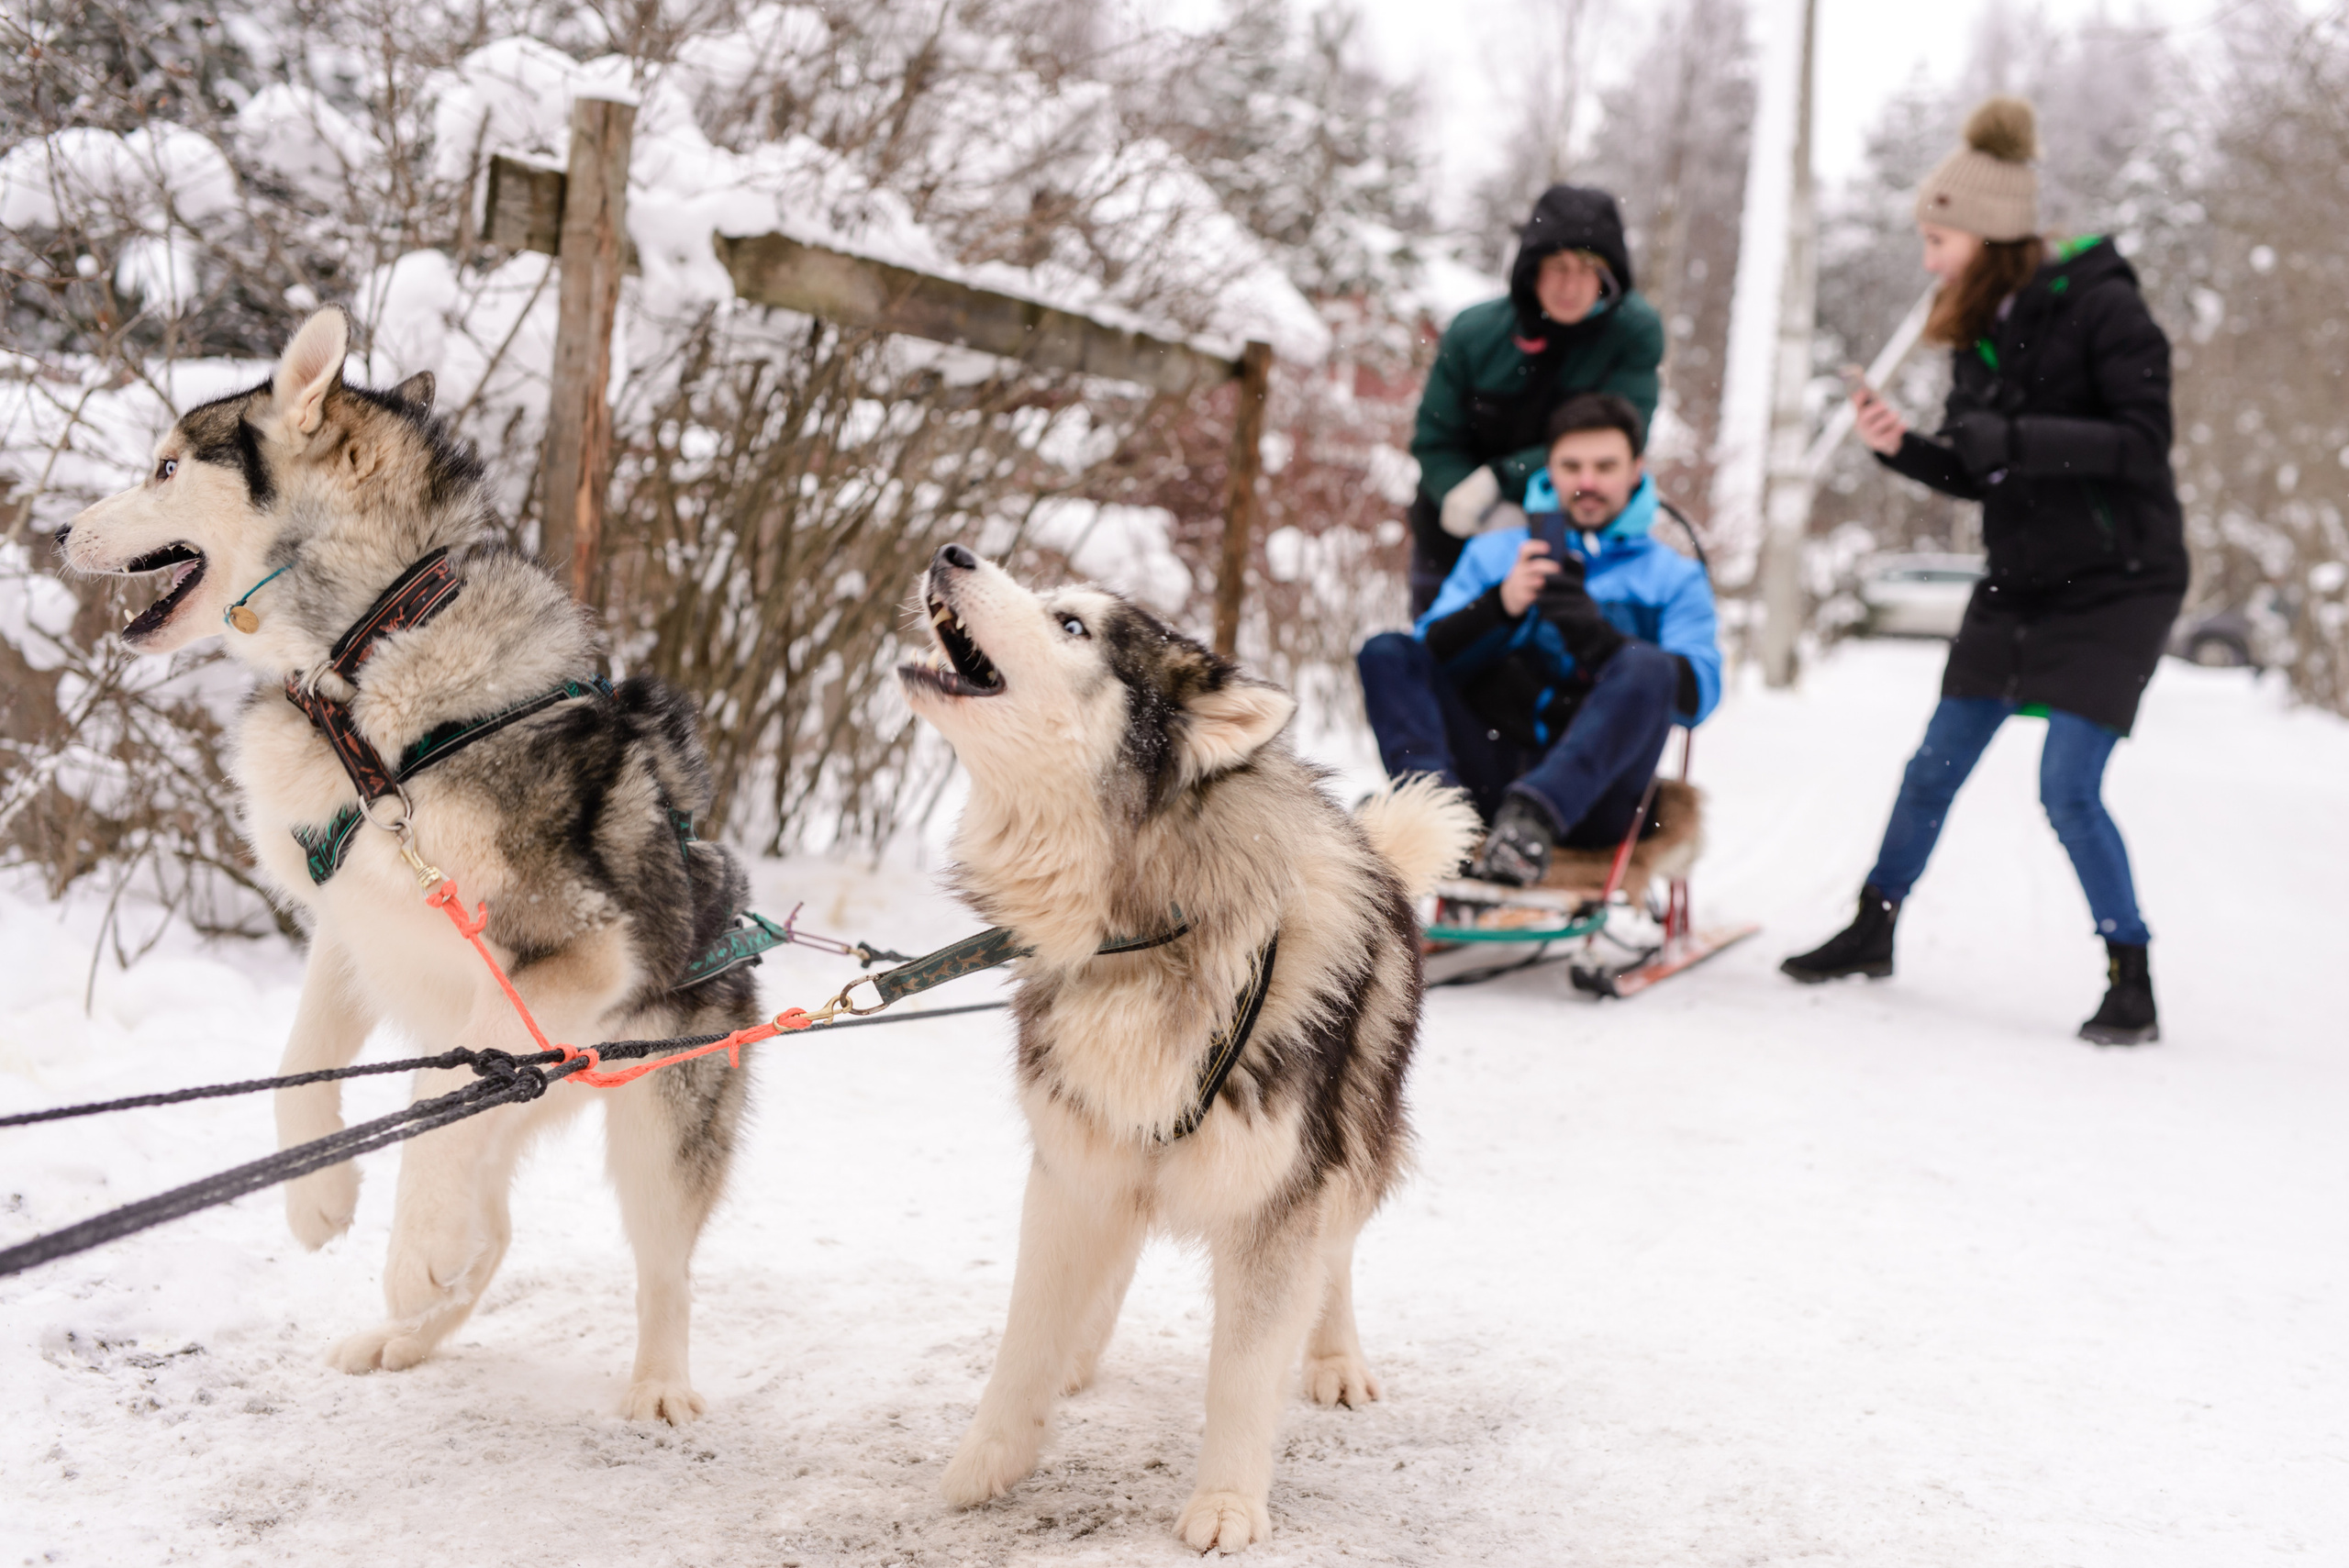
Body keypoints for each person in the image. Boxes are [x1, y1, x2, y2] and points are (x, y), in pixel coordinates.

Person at [1778, 96, 2188, 1047]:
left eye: (1937, 239)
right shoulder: (1978, 329)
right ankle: (1873, 928)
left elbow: (2142, 443)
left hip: (2120, 580)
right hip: (2021, 577)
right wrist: (1902, 448)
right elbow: (1981, 467)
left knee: (2067, 786)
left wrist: (2013, 437)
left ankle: (2130, 973)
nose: (1928, 260)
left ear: (1989, 233)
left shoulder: (2105, 306)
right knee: (1933, 765)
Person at [1361, 393, 1720, 887]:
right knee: (1385, 651)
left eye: (1605, 466)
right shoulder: (1496, 553)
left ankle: (1533, 817)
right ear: (1549, 468)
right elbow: (1423, 663)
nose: (1587, 482)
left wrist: (1597, 637)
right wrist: (1500, 607)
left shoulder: (1672, 577)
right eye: (1571, 466)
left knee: (1653, 666)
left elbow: (1697, 698)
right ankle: (1434, 816)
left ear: (1636, 470)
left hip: (1596, 802)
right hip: (1482, 778)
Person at [1407, 184, 1665, 614]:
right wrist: (1460, 494)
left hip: (1574, 526)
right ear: (1532, 269)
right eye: (1557, 266)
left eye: (1587, 268)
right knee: (1440, 637)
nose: (1570, 285)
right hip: (1452, 530)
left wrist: (1504, 480)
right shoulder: (1474, 334)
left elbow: (1619, 441)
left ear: (1607, 276)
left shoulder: (1632, 335)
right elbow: (1435, 437)